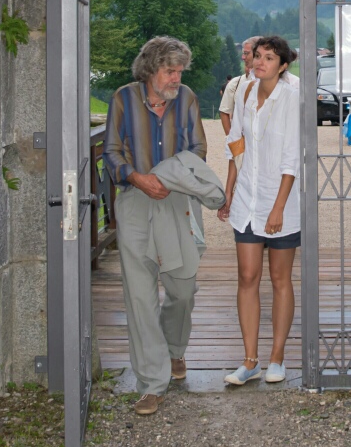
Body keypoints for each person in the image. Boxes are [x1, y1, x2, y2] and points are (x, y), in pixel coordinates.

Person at [104, 36, 224, 416]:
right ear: (151, 69)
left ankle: (175, 349)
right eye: (170, 71)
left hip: (178, 201)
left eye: (179, 71)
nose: (176, 78)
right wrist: (139, 179)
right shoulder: (123, 98)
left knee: (182, 287)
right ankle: (151, 384)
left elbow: (198, 150)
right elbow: (110, 151)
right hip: (136, 202)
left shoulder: (186, 98)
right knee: (139, 297)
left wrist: (166, 178)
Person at [218, 36, 300, 385]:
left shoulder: (292, 95)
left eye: (269, 58)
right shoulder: (246, 91)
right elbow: (236, 143)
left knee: (280, 279)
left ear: (283, 65)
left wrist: (278, 207)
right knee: (247, 277)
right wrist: (229, 190)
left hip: (280, 200)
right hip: (248, 200)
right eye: (258, 56)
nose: (259, 62)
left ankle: (277, 358)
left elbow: (292, 157)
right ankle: (250, 360)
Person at [218, 37, 257, 135]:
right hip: (242, 141)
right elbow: (224, 111)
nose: (243, 57)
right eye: (243, 53)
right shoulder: (235, 83)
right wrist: (231, 140)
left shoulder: (273, 83)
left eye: (246, 53)